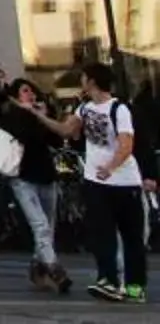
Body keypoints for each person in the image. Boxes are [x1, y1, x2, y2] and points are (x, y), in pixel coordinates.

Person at [0, 75, 77, 295]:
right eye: (25, 91)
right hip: (22, 178)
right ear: (15, 98)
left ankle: (37, 265)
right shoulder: (11, 117)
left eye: (32, 91)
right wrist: (29, 114)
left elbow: (56, 141)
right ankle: (55, 270)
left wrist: (44, 116)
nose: (31, 95)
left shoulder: (40, 115)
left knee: (48, 226)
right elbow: (23, 136)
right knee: (40, 225)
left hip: (46, 176)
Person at [74, 59, 145, 301]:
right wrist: (35, 114)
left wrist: (111, 167)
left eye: (83, 77)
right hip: (96, 182)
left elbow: (127, 145)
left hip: (124, 182)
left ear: (91, 81)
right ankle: (109, 280)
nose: (81, 82)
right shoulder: (83, 108)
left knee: (131, 236)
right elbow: (67, 130)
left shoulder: (120, 109)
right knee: (101, 233)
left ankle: (135, 287)